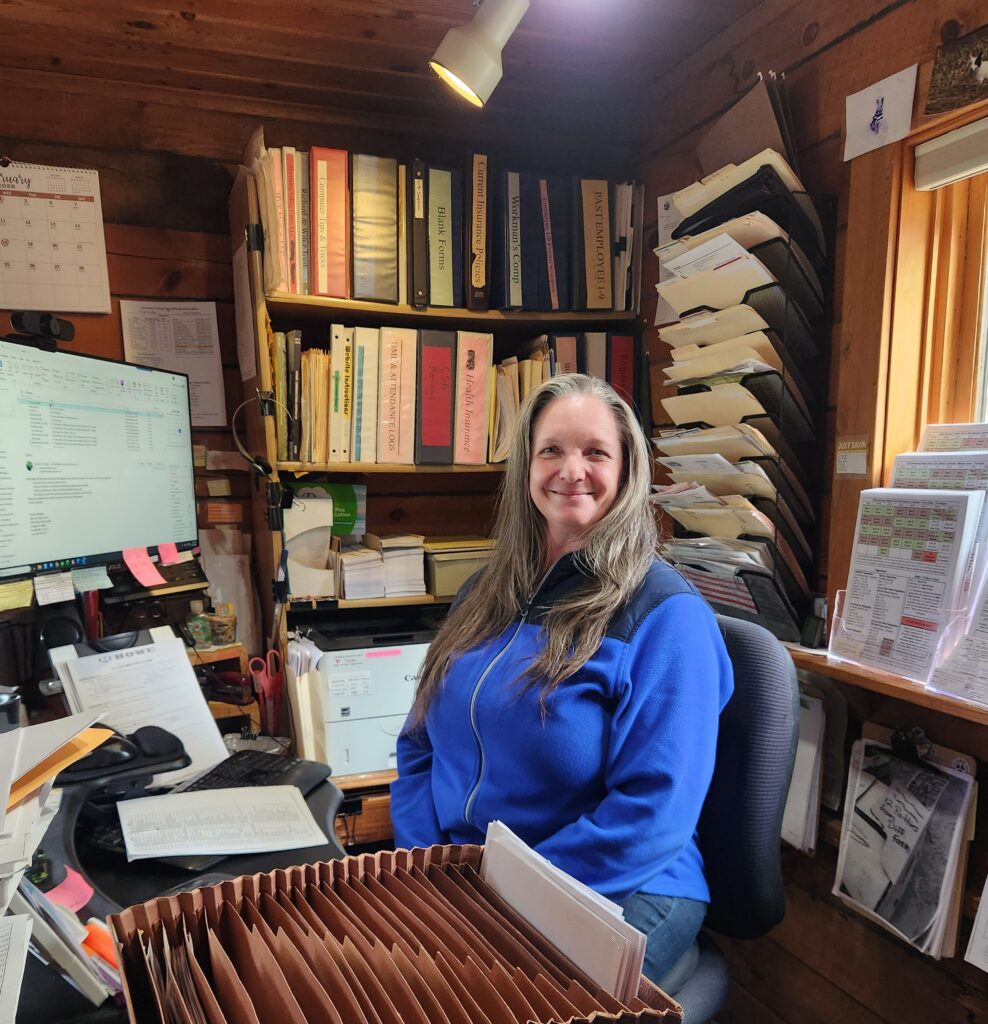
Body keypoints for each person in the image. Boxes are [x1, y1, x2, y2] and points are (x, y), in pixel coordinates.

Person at [390, 372, 733, 990]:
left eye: (596, 452)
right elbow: (419, 743)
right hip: (473, 879)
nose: (571, 470)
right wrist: (424, 864)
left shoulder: (666, 616)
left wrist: (508, 895)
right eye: (551, 449)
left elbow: (652, 815)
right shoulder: (483, 592)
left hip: (622, 886)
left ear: (627, 470)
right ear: (527, 466)